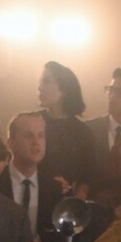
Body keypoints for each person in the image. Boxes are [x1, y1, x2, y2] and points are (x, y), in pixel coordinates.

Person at [0, 110, 65, 242]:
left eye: (41, 136)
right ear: (11, 143)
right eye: (28, 136)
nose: (36, 142)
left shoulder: (54, 189)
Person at [36, 61, 98, 193]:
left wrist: (76, 201)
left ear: (64, 89)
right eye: (40, 81)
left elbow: (89, 175)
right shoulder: (33, 123)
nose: (40, 87)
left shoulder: (82, 133)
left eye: (46, 81)